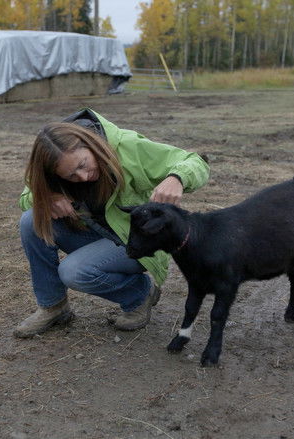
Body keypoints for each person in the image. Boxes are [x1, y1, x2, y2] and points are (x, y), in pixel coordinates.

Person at [15, 108, 209, 338]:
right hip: (96, 235)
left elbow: (195, 161)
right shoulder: (51, 162)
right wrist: (48, 198)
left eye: (83, 164)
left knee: (73, 271)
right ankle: (53, 306)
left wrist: (177, 178)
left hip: (138, 242)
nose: (83, 177)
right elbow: (26, 198)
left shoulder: (126, 147)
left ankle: (139, 295)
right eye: (71, 177)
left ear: (90, 143)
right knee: (31, 221)